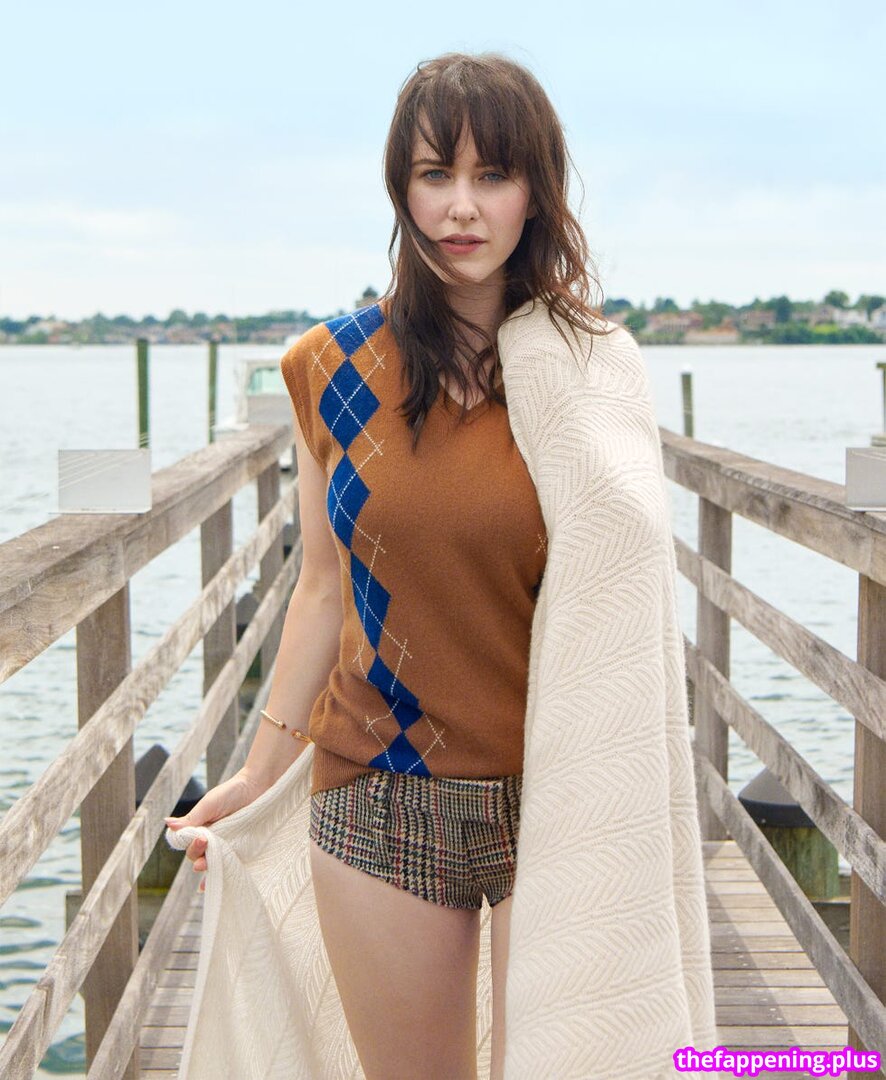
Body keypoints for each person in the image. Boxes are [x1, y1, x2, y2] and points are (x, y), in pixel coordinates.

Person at [166, 50, 719, 1080]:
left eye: (492, 175)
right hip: (380, 794)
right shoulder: (329, 366)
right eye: (435, 175)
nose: (462, 207)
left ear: (534, 192)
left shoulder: (595, 366)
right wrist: (259, 772)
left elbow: (626, 590)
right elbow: (323, 587)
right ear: (401, 189)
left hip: (562, 795)